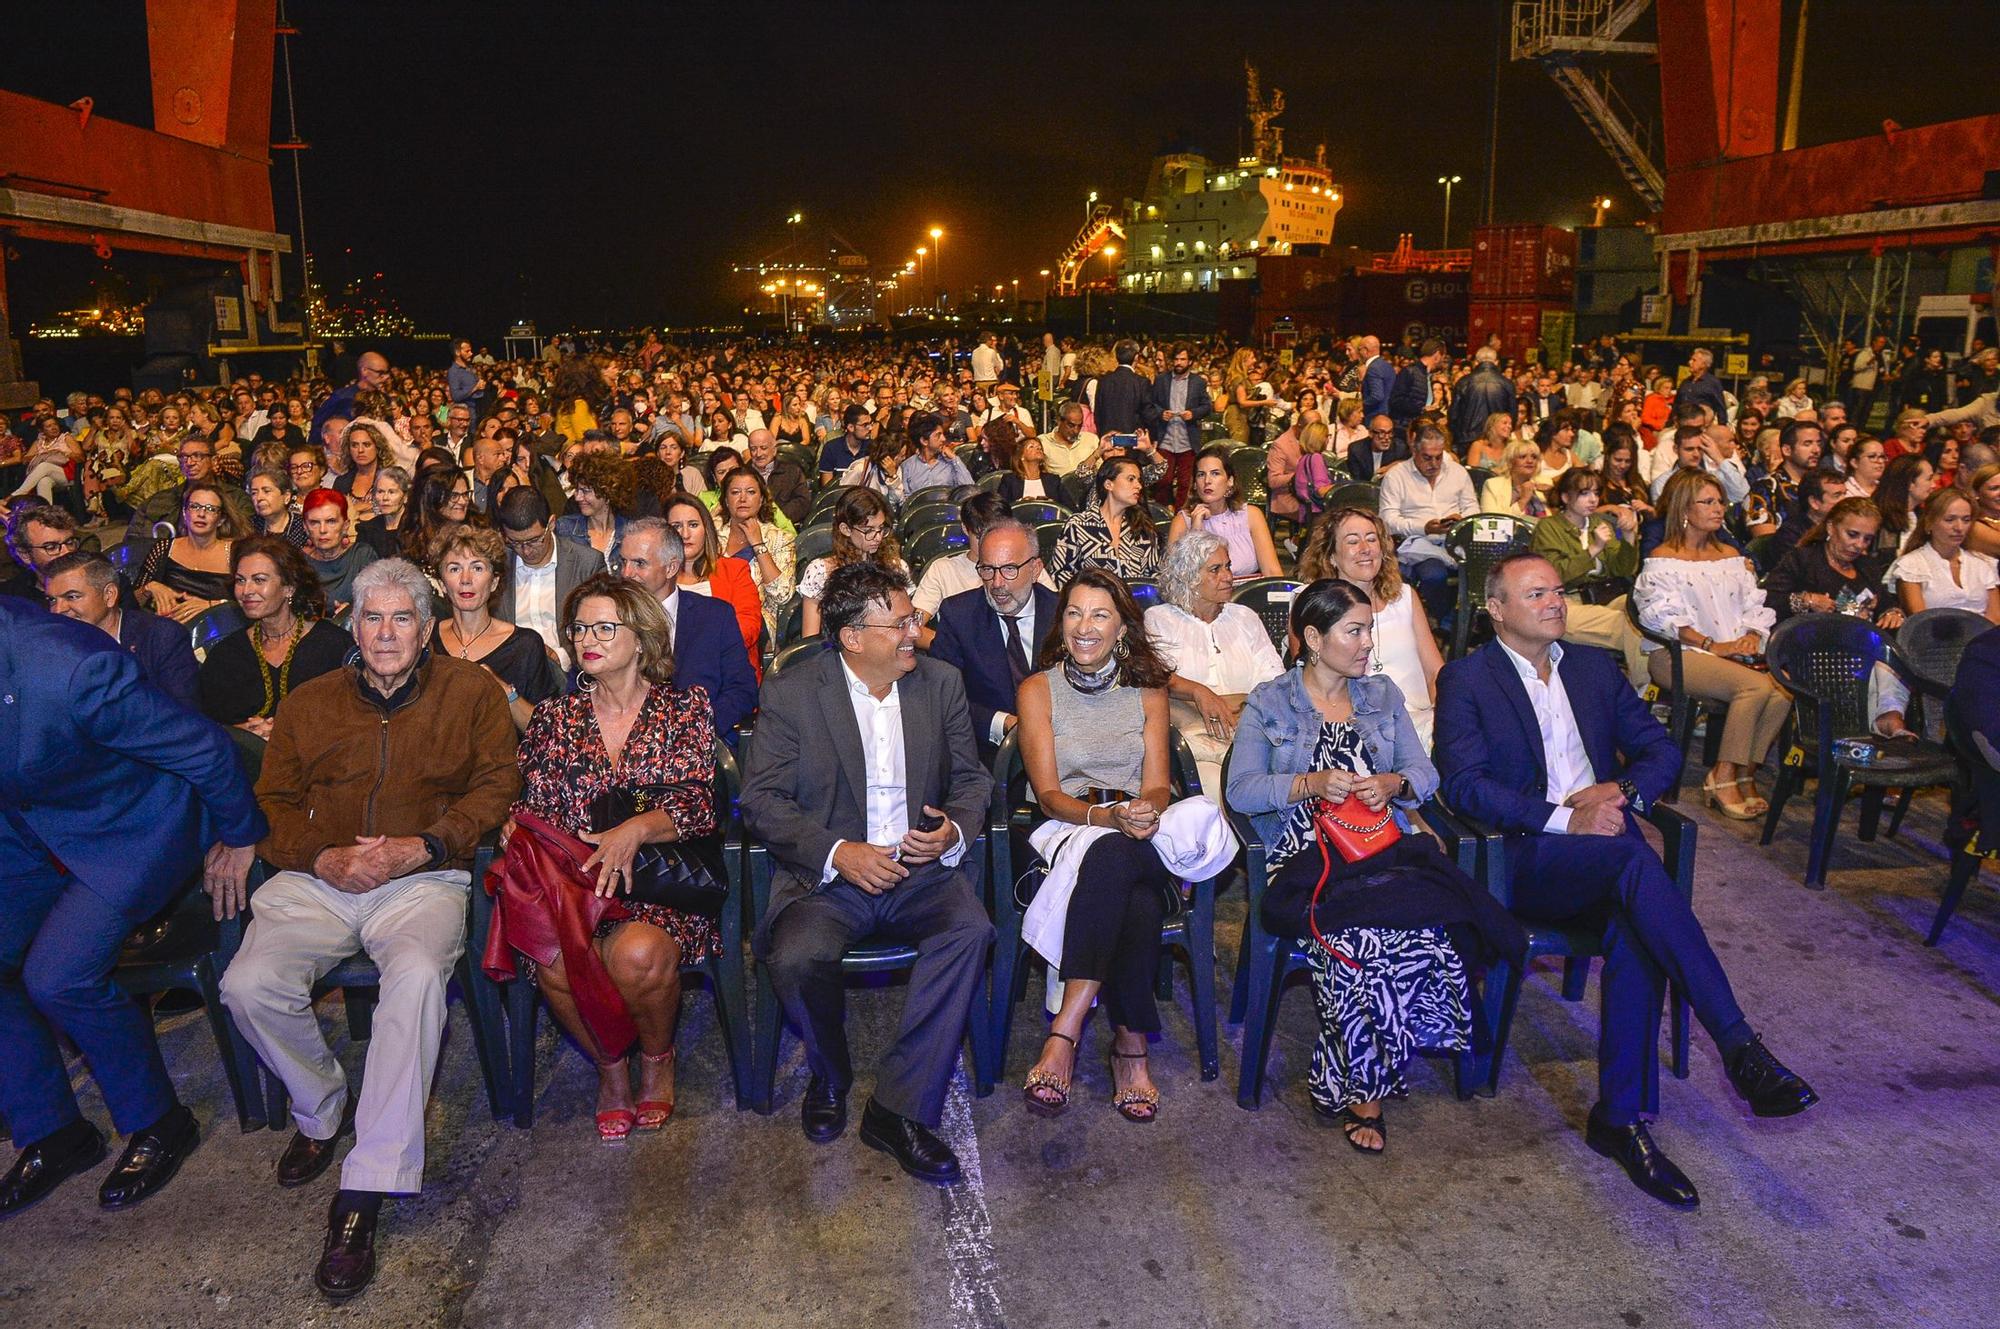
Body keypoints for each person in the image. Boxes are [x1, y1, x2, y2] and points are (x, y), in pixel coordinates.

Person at [1436, 551, 1817, 1209]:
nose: (1555, 602)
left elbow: (1662, 749)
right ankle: (1737, 1044)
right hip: (1526, 856)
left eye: (1558, 591)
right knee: (1635, 861)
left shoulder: (1592, 667)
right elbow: (1467, 787)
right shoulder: (1467, 679)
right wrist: (1565, 818)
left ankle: (1622, 1119)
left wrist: (1621, 787)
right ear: (1497, 609)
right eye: (1536, 594)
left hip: (1607, 853)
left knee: (1635, 927)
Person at [215, 558, 519, 1302]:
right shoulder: (312, 703)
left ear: (426, 629)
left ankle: (366, 1186)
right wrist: (322, 856)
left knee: (414, 977)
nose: (386, 633)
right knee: (246, 984)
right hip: (321, 874)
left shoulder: (470, 690)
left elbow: (496, 785)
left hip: (420, 875)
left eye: (403, 618)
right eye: (373, 618)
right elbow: (273, 801)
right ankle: (320, 1105)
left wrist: (426, 843)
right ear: (354, 626)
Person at [1229, 579, 1525, 1149]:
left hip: (1380, 848)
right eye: (1355, 631)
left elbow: (1426, 774)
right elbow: (1241, 791)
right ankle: (1365, 1089)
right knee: (1363, 937)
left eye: (1370, 629)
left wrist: (1393, 783)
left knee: (1428, 927)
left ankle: (1346, 1075)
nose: (1368, 643)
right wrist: (1308, 782)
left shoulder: (1382, 696)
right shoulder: (1270, 701)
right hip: (1305, 861)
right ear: (1313, 638)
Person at [0, 597, 266, 1217]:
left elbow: (203, 748)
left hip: (133, 825)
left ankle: (158, 1123)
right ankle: (55, 1132)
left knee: (57, 977)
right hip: (32, 829)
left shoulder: (69, 665)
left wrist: (239, 834)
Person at [740, 562, 994, 1184]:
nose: (915, 632)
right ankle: (830, 1071)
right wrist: (837, 852)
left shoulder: (940, 684)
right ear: (853, 636)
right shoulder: (795, 694)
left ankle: (898, 1109)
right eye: (901, 623)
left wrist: (951, 833)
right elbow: (762, 800)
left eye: (912, 618)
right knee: (796, 956)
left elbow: (971, 779)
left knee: (970, 932)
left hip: (919, 871)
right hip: (829, 879)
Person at [496, 575, 720, 1142]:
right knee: (552, 958)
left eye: (604, 627)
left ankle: (656, 1059)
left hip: (656, 885)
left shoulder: (684, 708)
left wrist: (637, 829)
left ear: (641, 637)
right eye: (579, 629)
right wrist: (515, 827)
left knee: (639, 955)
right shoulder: (554, 718)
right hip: (574, 886)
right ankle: (610, 1070)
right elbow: (536, 803)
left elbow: (700, 803)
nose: (586, 640)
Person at [1013, 568, 1211, 1124]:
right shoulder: (1037, 690)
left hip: (1138, 828)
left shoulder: (1148, 690)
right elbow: (1049, 795)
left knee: (1119, 855)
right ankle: (1131, 1047)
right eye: (1074, 613)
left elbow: (1155, 782)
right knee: (1134, 895)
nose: (1084, 626)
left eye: (1100, 614)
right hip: (1068, 828)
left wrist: (1143, 809)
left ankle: (1063, 1034)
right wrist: (1105, 816)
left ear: (1122, 627)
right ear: (1062, 623)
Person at [1634, 473, 1789, 819]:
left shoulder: (1730, 555)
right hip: (1678, 655)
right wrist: (1712, 645)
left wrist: (1750, 634)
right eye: (1708, 502)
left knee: (1781, 691)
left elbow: (1754, 604)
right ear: (1684, 509)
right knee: (1755, 686)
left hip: (1730, 650)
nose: (1719, 508)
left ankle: (1744, 772)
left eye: (1720, 502)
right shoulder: (1663, 558)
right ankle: (1721, 776)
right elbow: (1663, 619)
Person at [1146, 531, 1284, 793]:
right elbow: (1156, 678)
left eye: (1228, 566)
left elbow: (1274, 680)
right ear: (1188, 577)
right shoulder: (1159, 620)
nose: (1228, 576)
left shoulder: (1245, 618)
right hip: (1192, 745)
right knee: (1220, 791)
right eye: (1215, 569)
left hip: (1251, 733)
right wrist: (1199, 692)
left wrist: (1241, 704)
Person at [1300, 507, 1445, 751]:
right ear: (1331, 556)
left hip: (1419, 721)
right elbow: (1310, 683)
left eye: (1371, 539)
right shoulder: (1311, 603)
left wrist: (1445, 716)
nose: (1365, 549)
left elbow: (1435, 672)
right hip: (1356, 725)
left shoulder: (1405, 597)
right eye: (1352, 541)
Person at [615, 518, 758, 740]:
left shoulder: (715, 617)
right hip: (621, 745)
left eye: (639, 563)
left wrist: (698, 730)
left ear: (671, 567)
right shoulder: (607, 617)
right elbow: (585, 686)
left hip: (698, 745)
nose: (626, 573)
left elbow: (742, 688)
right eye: (623, 562)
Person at [197, 535, 349, 740]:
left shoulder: (335, 646)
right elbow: (206, 727)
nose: (246, 591)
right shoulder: (226, 655)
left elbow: (351, 721)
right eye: (240, 580)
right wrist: (244, 734)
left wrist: (287, 733)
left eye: (259, 580)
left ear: (289, 587)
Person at [929, 519, 1059, 751]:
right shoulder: (959, 616)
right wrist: (1002, 723)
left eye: (1010, 569)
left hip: (1060, 749)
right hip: (984, 755)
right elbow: (940, 697)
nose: (996, 583)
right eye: (988, 569)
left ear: (1035, 569)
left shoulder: (1062, 615)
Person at [430, 524, 562, 734]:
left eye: (477, 568)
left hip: (504, 762)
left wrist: (506, 693)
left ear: (494, 582)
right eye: (455, 569)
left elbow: (546, 734)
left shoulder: (524, 645)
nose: (466, 579)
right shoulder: (426, 640)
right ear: (443, 583)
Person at [1530, 468, 1649, 685]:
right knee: (1632, 624)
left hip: (1606, 597)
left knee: (1646, 608)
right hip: (1565, 602)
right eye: (1584, 493)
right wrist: (1593, 549)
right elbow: (1554, 576)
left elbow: (1622, 569)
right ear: (1566, 497)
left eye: (1595, 493)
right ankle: (1645, 687)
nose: (1593, 499)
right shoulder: (1549, 527)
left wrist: (1630, 537)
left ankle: (1648, 685)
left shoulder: (1599, 523)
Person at [39, 550, 197, 708]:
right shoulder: (51, 645)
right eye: (52, 600)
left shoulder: (161, 637)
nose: (58, 610)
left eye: (72, 597)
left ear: (109, 595)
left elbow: (184, 717)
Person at [1378, 423, 1479, 624]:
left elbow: (1472, 507)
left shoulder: (1457, 472)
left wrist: (1463, 521)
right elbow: (1387, 521)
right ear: (1414, 450)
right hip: (1417, 544)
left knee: (1489, 571)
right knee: (1434, 576)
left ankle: (1472, 623)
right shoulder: (1396, 476)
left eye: (1439, 457)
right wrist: (1424, 527)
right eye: (1427, 457)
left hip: (1458, 541)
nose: (1434, 463)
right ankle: (1447, 623)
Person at [492, 487, 602, 666]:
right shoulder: (497, 564)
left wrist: (561, 656)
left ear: (551, 524)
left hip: (570, 673)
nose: (525, 551)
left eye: (534, 540)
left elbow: (601, 631)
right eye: (515, 543)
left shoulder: (586, 565)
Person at [664, 494, 763, 672]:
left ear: (706, 529)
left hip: (725, 671)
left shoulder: (734, 570)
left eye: (693, 525)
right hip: (666, 673)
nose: (685, 534)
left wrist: (700, 649)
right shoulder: (655, 577)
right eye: (676, 526)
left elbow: (749, 627)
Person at [797, 487, 909, 638]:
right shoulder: (820, 571)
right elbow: (810, 637)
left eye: (881, 529)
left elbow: (906, 623)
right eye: (868, 530)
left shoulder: (897, 567)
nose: (878, 537)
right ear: (845, 529)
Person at [1165, 445, 1282, 582]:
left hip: (1247, 597)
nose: (1207, 481)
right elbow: (1175, 579)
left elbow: (1272, 572)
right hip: (1201, 599)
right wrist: (1195, 531)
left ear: (1230, 481)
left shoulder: (1251, 515)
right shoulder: (1182, 522)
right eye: (1201, 474)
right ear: (1195, 484)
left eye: (1215, 473)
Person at [135, 480, 239, 623]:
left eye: (210, 509)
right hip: (168, 630)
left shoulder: (236, 553)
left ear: (221, 519)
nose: (201, 513)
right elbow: (130, 603)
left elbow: (255, 604)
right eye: (195, 507)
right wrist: (149, 588)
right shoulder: (164, 548)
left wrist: (213, 606)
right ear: (184, 513)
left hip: (218, 632)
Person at [1048, 456, 1160, 586]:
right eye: (1131, 479)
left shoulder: (1143, 527)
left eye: (1139, 480)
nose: (1138, 486)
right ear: (1109, 484)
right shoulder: (1079, 525)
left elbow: (1155, 576)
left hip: (1135, 603)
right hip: (1089, 603)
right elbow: (1061, 575)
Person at [716, 465, 797, 627]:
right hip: (714, 613)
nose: (743, 498)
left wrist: (758, 544)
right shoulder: (712, 533)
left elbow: (782, 594)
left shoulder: (781, 538)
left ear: (761, 500)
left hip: (756, 622)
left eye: (751, 492)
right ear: (726, 500)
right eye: (735, 492)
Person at [1147, 344, 1214, 507]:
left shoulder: (1198, 382)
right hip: (1166, 438)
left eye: (1182, 359)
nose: (1178, 363)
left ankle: (1181, 517)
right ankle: (1162, 516)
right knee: (1163, 480)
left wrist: (1193, 413)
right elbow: (1151, 404)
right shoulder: (1161, 380)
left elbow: (1207, 406)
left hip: (1187, 440)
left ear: (1190, 361)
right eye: (1176, 359)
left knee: (1186, 483)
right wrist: (1161, 413)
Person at [299, 488, 380, 618]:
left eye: (331, 521)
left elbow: (378, 605)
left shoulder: (362, 556)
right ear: (305, 527)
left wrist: (354, 611)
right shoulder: (298, 562)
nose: (323, 530)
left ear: (346, 525)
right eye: (314, 522)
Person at [556, 452, 632, 568]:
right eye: (576, 490)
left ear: (607, 492)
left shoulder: (631, 532)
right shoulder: (564, 529)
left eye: (585, 491)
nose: (577, 497)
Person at [742, 427, 811, 526]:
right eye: (753, 449)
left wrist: (775, 519)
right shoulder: (742, 475)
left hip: (783, 526)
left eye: (763, 448)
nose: (758, 453)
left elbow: (802, 502)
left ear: (774, 450)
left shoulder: (792, 471)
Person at [900, 412, 974, 495]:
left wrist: (955, 459)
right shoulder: (907, 467)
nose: (944, 439)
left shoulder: (951, 462)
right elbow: (905, 501)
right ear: (924, 441)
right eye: (938, 435)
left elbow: (970, 490)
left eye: (942, 434)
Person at [1388, 340, 1444, 443]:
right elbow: (1396, 400)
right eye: (1442, 357)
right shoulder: (1409, 372)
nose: (1443, 361)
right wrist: (1421, 409)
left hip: (1419, 430)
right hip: (1404, 432)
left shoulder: (1428, 376)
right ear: (1437, 355)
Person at [1480, 438, 1549, 519]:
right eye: (1523, 457)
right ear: (1510, 461)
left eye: (1534, 457)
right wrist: (1522, 501)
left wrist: (1552, 497)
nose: (1530, 461)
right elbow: (1492, 522)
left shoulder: (1546, 482)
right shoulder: (1493, 485)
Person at [247, 465, 308, 548]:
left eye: (266, 491)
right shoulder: (248, 526)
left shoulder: (304, 527)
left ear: (286, 497)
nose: (259, 498)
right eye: (254, 493)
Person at [1346, 414, 1409, 483]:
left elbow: (1411, 463)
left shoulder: (1399, 448)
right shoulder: (1356, 450)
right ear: (1370, 433)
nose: (1387, 438)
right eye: (1381, 433)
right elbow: (1357, 482)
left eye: (1390, 432)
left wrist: (1396, 465)